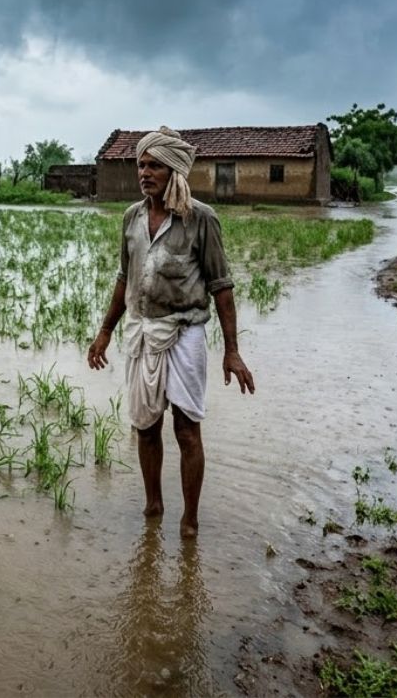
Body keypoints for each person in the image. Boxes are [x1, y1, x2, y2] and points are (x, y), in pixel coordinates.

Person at [88, 127, 255, 538]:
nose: (145, 173)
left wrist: (231, 351)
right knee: (145, 426)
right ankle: (153, 506)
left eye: (154, 166)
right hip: (142, 330)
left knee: (186, 426)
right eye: (142, 165)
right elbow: (125, 279)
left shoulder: (201, 219)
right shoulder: (132, 217)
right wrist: (104, 331)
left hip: (185, 333)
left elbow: (222, 287)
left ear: (174, 171)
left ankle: (190, 519)